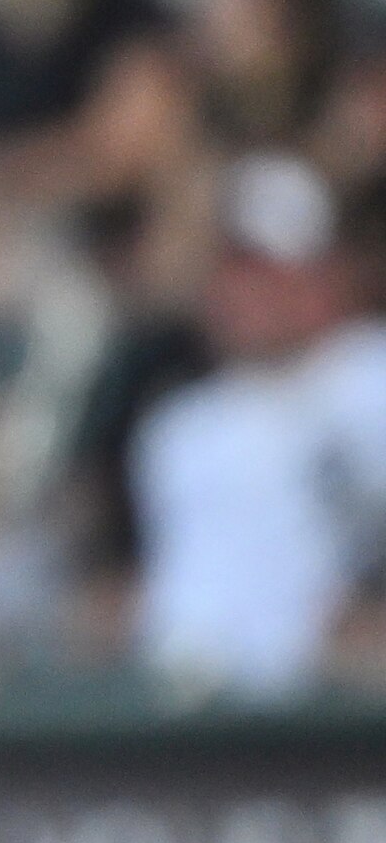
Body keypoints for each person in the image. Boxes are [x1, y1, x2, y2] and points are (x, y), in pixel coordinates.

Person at [126, 154, 386, 697]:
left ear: (325, 275)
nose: (240, 293)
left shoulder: (369, 378)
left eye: (261, 272)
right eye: (228, 271)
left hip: (334, 726)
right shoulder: (178, 428)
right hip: (192, 728)